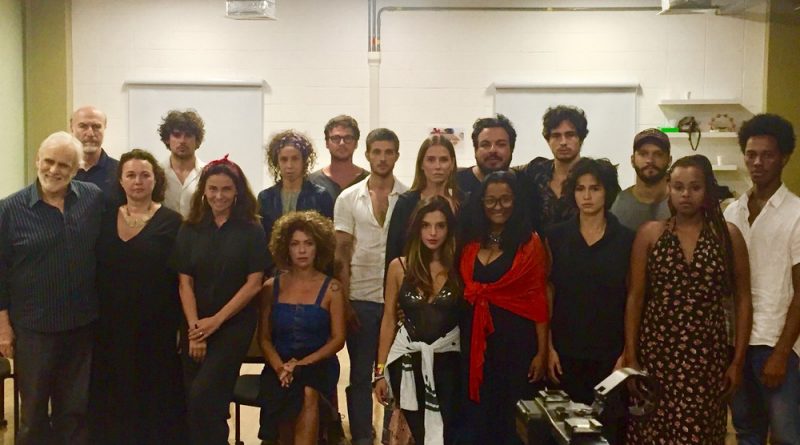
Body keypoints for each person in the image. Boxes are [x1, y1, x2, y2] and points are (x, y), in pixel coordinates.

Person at [625, 154, 752, 444]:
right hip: (657, 354)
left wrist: (738, 361)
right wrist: (631, 356)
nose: (686, 194)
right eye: (678, 186)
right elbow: (635, 298)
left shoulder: (726, 236)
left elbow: (743, 299)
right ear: (668, 189)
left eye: (695, 187)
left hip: (707, 358)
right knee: (653, 433)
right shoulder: (650, 234)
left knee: (700, 433)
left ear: (707, 190)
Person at [0, 131, 104, 444]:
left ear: (76, 169)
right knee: (33, 415)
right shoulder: (9, 210)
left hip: (81, 324)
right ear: (37, 161)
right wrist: (3, 327)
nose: (54, 170)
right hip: (34, 329)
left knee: (74, 411)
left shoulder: (93, 198)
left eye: (63, 165)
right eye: (48, 161)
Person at [90, 149, 186, 444]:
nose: (137, 181)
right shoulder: (103, 218)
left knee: (153, 395)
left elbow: (182, 278)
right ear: (120, 180)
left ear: (155, 180)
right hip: (109, 326)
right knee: (113, 394)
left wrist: (182, 326)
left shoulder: (173, 222)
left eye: (145, 175)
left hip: (157, 326)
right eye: (130, 175)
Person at [174, 155, 267, 445]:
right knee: (196, 401)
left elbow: (254, 284)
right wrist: (196, 329)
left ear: (237, 191)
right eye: (213, 189)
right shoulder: (190, 228)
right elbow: (184, 283)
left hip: (232, 325)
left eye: (226, 189)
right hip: (194, 324)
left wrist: (215, 322)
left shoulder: (252, 229)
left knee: (204, 394)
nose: (219, 196)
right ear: (203, 190)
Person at [546, 158, 632, 444]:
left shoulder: (626, 239)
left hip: (610, 354)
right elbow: (548, 292)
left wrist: (627, 352)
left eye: (595, 188)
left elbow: (633, 297)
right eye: (580, 188)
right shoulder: (556, 237)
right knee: (565, 432)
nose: (587, 196)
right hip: (565, 353)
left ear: (607, 191)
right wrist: (548, 346)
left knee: (608, 434)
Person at [459, 170, 548, 445]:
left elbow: (538, 298)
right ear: (481, 203)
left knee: (511, 419)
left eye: (505, 199)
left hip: (516, 344)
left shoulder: (530, 243)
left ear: (516, 201)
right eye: (491, 200)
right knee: (478, 416)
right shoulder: (471, 242)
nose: (498, 207)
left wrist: (542, 351)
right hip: (475, 342)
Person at [726, 114, 800, 444]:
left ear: (784, 158)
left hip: (777, 344)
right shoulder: (732, 211)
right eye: (751, 154)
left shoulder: (797, 213)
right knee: (746, 432)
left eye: (767, 155)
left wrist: (782, 353)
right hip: (737, 344)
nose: (757, 163)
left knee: (786, 435)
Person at [334, 128, 408, 445]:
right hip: (359, 298)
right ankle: (362, 438)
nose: (382, 158)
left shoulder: (408, 198)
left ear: (397, 155)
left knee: (394, 374)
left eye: (388, 152)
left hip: (397, 301)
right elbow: (341, 253)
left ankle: (392, 437)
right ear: (367, 155)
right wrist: (344, 301)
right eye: (376, 151)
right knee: (360, 375)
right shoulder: (348, 198)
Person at [375, 197, 462, 445]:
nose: (433, 233)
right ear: (416, 228)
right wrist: (379, 372)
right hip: (407, 363)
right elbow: (388, 319)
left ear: (449, 229)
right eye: (426, 225)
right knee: (413, 433)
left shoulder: (459, 267)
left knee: (447, 434)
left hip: (449, 365)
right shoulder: (399, 267)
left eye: (440, 225)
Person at [258, 211, 346, 445]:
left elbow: (338, 339)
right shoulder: (270, 287)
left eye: (308, 243)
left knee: (306, 391)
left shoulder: (333, 289)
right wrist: (281, 368)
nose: (302, 250)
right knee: (286, 391)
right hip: (278, 364)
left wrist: (301, 365)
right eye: (295, 244)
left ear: (319, 247)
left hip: (318, 365)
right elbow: (264, 339)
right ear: (286, 248)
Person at [258, 130, 334, 276]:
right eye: (284, 159)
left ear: (304, 161)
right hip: (276, 272)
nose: (289, 165)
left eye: (295, 159)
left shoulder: (320, 196)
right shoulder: (266, 198)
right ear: (276, 162)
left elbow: (327, 241)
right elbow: (263, 240)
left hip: (313, 271)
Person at [386, 134, 462, 269]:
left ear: (452, 164)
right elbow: (393, 252)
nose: (438, 166)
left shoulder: (463, 203)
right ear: (421, 164)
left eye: (444, 160)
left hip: (454, 278)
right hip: (412, 277)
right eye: (431, 160)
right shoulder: (406, 203)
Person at [520, 105, 588, 230]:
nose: (563, 142)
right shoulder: (536, 170)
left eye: (570, 135)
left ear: (581, 138)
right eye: (556, 136)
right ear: (548, 140)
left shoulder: (595, 175)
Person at [610, 128, 672, 231]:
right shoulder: (617, 205)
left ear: (669, 160)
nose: (650, 160)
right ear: (632, 160)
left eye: (658, 154)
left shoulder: (681, 203)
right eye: (643, 154)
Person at [158, 109, 207, 217]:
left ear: (197, 140)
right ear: (167, 139)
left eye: (188, 135)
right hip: (165, 228)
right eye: (177, 135)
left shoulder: (207, 173)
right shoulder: (156, 173)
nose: (182, 141)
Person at [309, 115, 369, 201]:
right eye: (335, 138)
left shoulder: (368, 181)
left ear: (356, 143)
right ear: (327, 143)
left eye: (348, 138)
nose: (342, 143)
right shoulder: (312, 182)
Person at [456, 114, 516, 197]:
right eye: (485, 145)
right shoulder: (456, 184)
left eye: (501, 144)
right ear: (475, 149)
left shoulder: (526, 185)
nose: (493, 150)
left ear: (512, 148)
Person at [71, 105, 120, 197]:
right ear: (71, 128)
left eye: (96, 126)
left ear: (104, 128)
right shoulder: (61, 171)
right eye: (83, 126)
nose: (90, 133)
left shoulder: (120, 172)